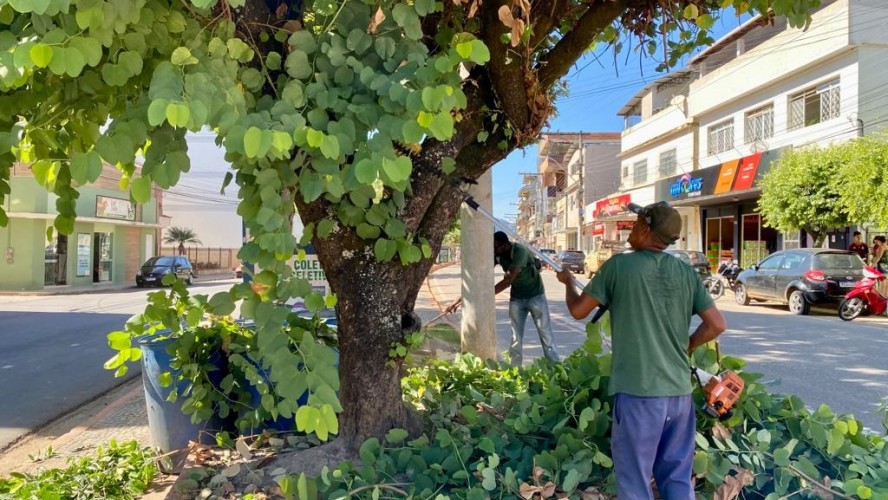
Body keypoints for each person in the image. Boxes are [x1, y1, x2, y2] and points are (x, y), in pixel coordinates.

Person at [556, 201, 726, 500]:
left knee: (635, 482)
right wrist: (685, 347)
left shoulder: (619, 266)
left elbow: (579, 311)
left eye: (634, 225)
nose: (629, 231)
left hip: (639, 394)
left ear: (646, 229)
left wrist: (569, 283)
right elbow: (716, 325)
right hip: (678, 395)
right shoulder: (686, 272)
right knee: (677, 479)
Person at [446, 231, 560, 366]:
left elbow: (508, 281)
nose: (493, 251)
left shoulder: (520, 252)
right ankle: (515, 370)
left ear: (505, 245)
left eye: (495, 248)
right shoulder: (498, 255)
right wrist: (458, 301)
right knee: (515, 337)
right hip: (517, 298)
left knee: (545, 335)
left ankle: (556, 368)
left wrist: (485, 296)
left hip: (536, 296)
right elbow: (478, 281)